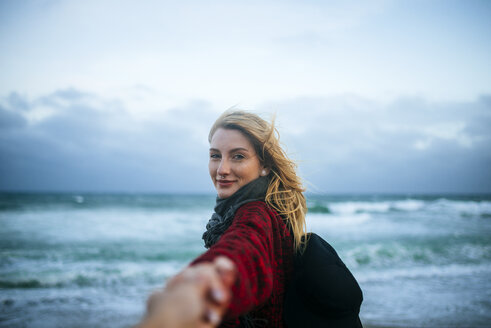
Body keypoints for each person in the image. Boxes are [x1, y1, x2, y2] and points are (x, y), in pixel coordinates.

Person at [137, 110, 307, 328]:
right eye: (215, 155)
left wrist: (202, 285)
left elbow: (244, 250)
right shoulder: (260, 209)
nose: (222, 169)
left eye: (238, 156)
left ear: (264, 165)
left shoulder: (257, 213)